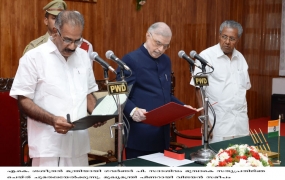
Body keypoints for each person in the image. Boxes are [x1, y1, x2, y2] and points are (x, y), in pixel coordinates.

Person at [10, 10, 105, 167]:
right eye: (67, 39)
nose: (72, 46)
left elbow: (87, 93)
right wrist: (52, 120)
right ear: (55, 31)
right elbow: (24, 100)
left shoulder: (83, 57)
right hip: (49, 146)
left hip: (79, 145)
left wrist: (98, 114)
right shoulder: (33, 57)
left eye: (77, 40)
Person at [116, 22, 196, 159]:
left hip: (162, 135)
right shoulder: (130, 60)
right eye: (157, 43)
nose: (160, 49)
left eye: (166, 46)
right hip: (140, 134)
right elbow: (118, 94)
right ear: (148, 35)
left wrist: (183, 108)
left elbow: (165, 95)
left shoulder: (166, 60)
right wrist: (132, 110)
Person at [190, 20, 251, 143]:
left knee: (242, 159)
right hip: (218, 124)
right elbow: (199, 89)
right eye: (224, 37)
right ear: (219, 35)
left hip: (240, 123)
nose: (227, 42)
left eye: (232, 38)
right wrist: (205, 119)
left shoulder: (241, 58)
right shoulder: (205, 57)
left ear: (238, 39)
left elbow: (244, 89)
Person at [23, 0, 94, 65]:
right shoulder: (34, 48)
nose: (58, 22)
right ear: (46, 20)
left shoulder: (76, 49)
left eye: (61, 19)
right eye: (54, 18)